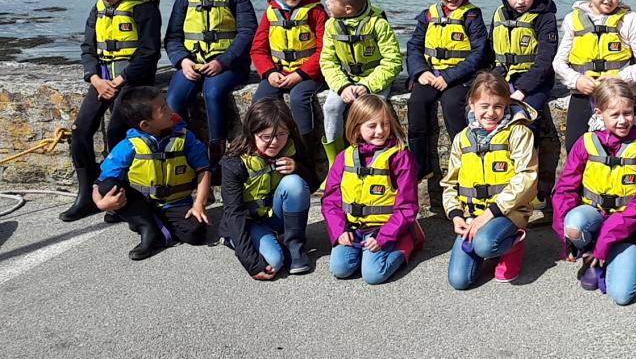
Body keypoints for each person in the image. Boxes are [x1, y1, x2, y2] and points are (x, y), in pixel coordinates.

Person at [62, 0, 162, 222]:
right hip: (102, 81)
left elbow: (149, 52)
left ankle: (118, 196)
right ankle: (86, 195)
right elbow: (88, 48)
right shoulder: (98, 9)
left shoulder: (144, 9)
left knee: (118, 131)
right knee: (80, 131)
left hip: (132, 81)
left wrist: (120, 81)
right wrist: (94, 78)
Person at [552, 78, 636, 306]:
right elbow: (565, 189)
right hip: (594, 215)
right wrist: (566, 238)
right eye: (615, 115)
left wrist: (607, 238)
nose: (622, 121)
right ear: (599, 114)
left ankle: (613, 254)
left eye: (628, 113)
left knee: (622, 295)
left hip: (630, 225)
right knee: (574, 224)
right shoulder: (586, 142)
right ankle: (591, 253)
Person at [441, 72, 538, 289]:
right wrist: (456, 215)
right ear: (472, 105)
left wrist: (489, 214)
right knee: (459, 281)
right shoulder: (462, 139)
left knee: (485, 245)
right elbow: (450, 183)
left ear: (506, 105)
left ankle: (513, 244)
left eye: (498, 106)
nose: (491, 113)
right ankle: (485, 238)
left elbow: (526, 177)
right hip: (471, 215)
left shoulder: (518, 133)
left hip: (508, 212)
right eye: (484, 106)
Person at [163, 0, 256, 167]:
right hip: (192, 63)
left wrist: (222, 62)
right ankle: (186, 151)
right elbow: (172, 37)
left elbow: (247, 32)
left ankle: (217, 157)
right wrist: (183, 61)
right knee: (174, 99)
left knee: (212, 93)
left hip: (230, 65)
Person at [92, 86, 211, 260]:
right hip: (143, 202)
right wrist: (101, 203)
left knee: (196, 233)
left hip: (175, 203)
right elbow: (100, 182)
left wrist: (199, 204)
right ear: (146, 125)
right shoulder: (129, 145)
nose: (170, 111)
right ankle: (147, 229)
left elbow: (203, 170)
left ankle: (149, 223)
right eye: (163, 109)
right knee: (108, 186)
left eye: (166, 105)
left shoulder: (185, 138)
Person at [407, 0, 489, 200]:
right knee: (416, 104)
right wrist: (420, 72)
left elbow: (479, 53)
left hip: (460, 77)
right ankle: (420, 164)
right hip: (430, 74)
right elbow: (414, 47)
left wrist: (449, 77)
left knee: (453, 106)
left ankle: (464, 161)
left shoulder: (472, 16)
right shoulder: (427, 16)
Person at [552, 0, 636, 151]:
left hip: (619, 97)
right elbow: (559, 63)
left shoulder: (628, 20)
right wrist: (576, 80)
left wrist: (620, 77)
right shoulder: (572, 20)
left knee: (622, 151)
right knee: (575, 148)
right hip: (583, 95)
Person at [322, 94, 425, 285]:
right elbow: (330, 201)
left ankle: (409, 239)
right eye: (372, 126)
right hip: (353, 227)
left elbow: (408, 206)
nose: (380, 131)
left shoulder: (400, 157)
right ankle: (364, 251)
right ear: (357, 128)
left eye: (385, 124)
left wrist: (383, 236)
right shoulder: (344, 157)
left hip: (386, 228)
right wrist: (339, 231)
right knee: (340, 269)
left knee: (373, 275)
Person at [219, 99, 319, 280]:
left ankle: (294, 247)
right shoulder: (234, 162)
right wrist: (251, 264)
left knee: (294, 183)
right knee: (274, 262)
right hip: (247, 221)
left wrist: (298, 168)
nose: (275, 142)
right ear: (252, 132)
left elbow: (311, 186)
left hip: (273, 216)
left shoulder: (292, 145)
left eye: (281, 134)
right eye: (266, 137)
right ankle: (233, 239)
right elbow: (234, 213)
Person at [489, 0, 561, 210]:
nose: (520, 1)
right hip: (503, 77)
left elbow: (545, 60)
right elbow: (491, 53)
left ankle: (536, 189)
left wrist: (522, 90)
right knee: (483, 115)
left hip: (535, 82)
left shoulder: (545, 18)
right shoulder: (499, 15)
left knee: (527, 122)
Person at [318, 0, 403, 167]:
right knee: (331, 108)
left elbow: (393, 61)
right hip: (344, 80)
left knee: (374, 112)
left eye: (330, 1)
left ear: (347, 8)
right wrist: (342, 87)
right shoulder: (331, 25)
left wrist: (367, 85)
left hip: (375, 80)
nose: (327, 4)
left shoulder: (378, 24)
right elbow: (328, 61)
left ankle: (373, 159)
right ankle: (336, 162)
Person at [249, 0, 328, 152]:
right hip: (278, 72)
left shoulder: (316, 13)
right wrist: (269, 73)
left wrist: (300, 74)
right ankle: (261, 147)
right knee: (260, 99)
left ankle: (305, 150)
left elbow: (325, 49)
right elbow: (258, 49)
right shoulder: (271, 14)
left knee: (298, 98)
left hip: (310, 74)